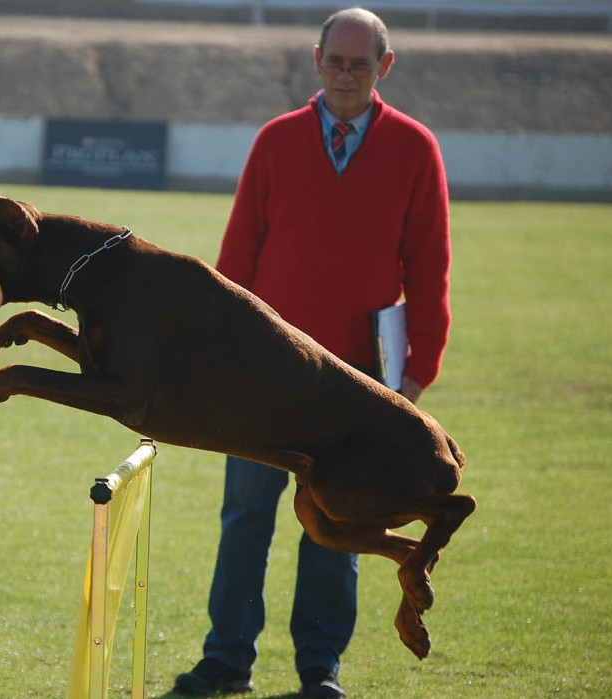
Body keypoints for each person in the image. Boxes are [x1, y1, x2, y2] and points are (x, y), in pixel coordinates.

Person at [173, 8, 452, 699]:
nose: (346, 75)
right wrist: (216, 362)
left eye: (361, 64)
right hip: (260, 381)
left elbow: (429, 272)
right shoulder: (276, 141)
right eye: (336, 61)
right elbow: (236, 260)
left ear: (385, 66)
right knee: (245, 517)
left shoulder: (415, 149)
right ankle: (227, 659)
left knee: (341, 527)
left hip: (357, 388)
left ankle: (319, 670)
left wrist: (415, 378)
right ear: (316, 60)